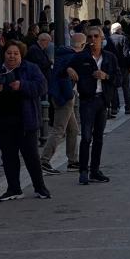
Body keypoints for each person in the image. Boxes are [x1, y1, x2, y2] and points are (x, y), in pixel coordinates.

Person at [0, 40, 50, 201]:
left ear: (21, 55)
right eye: (9, 53)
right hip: (2, 120)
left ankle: (40, 187)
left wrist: (22, 85)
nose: (12, 56)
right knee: (9, 157)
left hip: (25, 120)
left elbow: (42, 87)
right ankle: (14, 188)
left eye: (15, 54)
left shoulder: (30, 68)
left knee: (31, 156)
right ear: (4, 54)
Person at [67, 26, 121, 185]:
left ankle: (95, 170)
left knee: (98, 138)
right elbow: (65, 67)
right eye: (89, 37)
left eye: (96, 36)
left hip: (103, 100)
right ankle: (83, 171)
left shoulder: (110, 57)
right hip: (87, 100)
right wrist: (69, 69)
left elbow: (118, 79)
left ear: (102, 38)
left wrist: (106, 76)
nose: (93, 40)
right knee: (86, 137)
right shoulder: (81, 57)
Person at [41, 32, 86, 174]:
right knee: (58, 129)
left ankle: (72, 161)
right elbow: (66, 70)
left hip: (62, 95)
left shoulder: (63, 54)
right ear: (83, 45)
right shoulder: (72, 57)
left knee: (73, 130)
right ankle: (44, 160)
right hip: (64, 97)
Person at [106, 22, 130, 115]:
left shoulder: (108, 39)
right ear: (120, 29)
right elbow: (126, 53)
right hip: (123, 66)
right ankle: (128, 107)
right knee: (126, 87)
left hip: (112, 66)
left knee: (114, 87)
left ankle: (115, 107)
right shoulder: (123, 38)